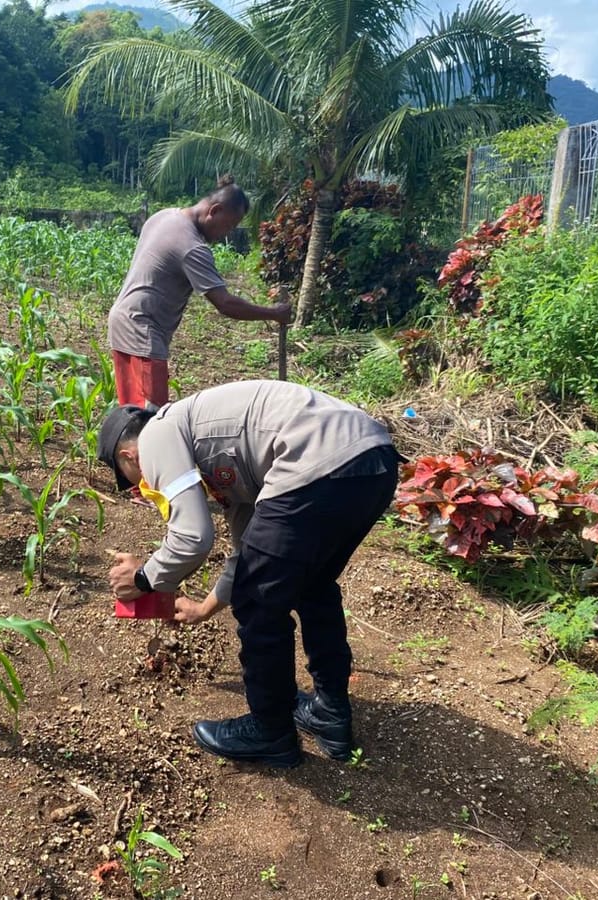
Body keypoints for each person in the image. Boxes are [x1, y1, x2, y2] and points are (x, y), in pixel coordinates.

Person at [99, 380, 401, 767]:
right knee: (313, 587)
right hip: (371, 462)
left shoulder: (157, 432)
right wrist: (204, 608)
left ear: (129, 456)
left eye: (134, 479)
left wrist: (143, 578)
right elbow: (247, 550)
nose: (143, 487)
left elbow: (193, 537)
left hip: (320, 463)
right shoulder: (225, 457)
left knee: (259, 603)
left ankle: (271, 730)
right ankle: (329, 714)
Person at [108, 177, 292, 410]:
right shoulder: (192, 247)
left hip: (122, 321)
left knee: (131, 415)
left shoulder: (164, 216)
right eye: (229, 225)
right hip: (143, 332)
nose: (226, 234)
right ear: (214, 211)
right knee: (149, 421)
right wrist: (274, 313)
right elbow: (225, 303)